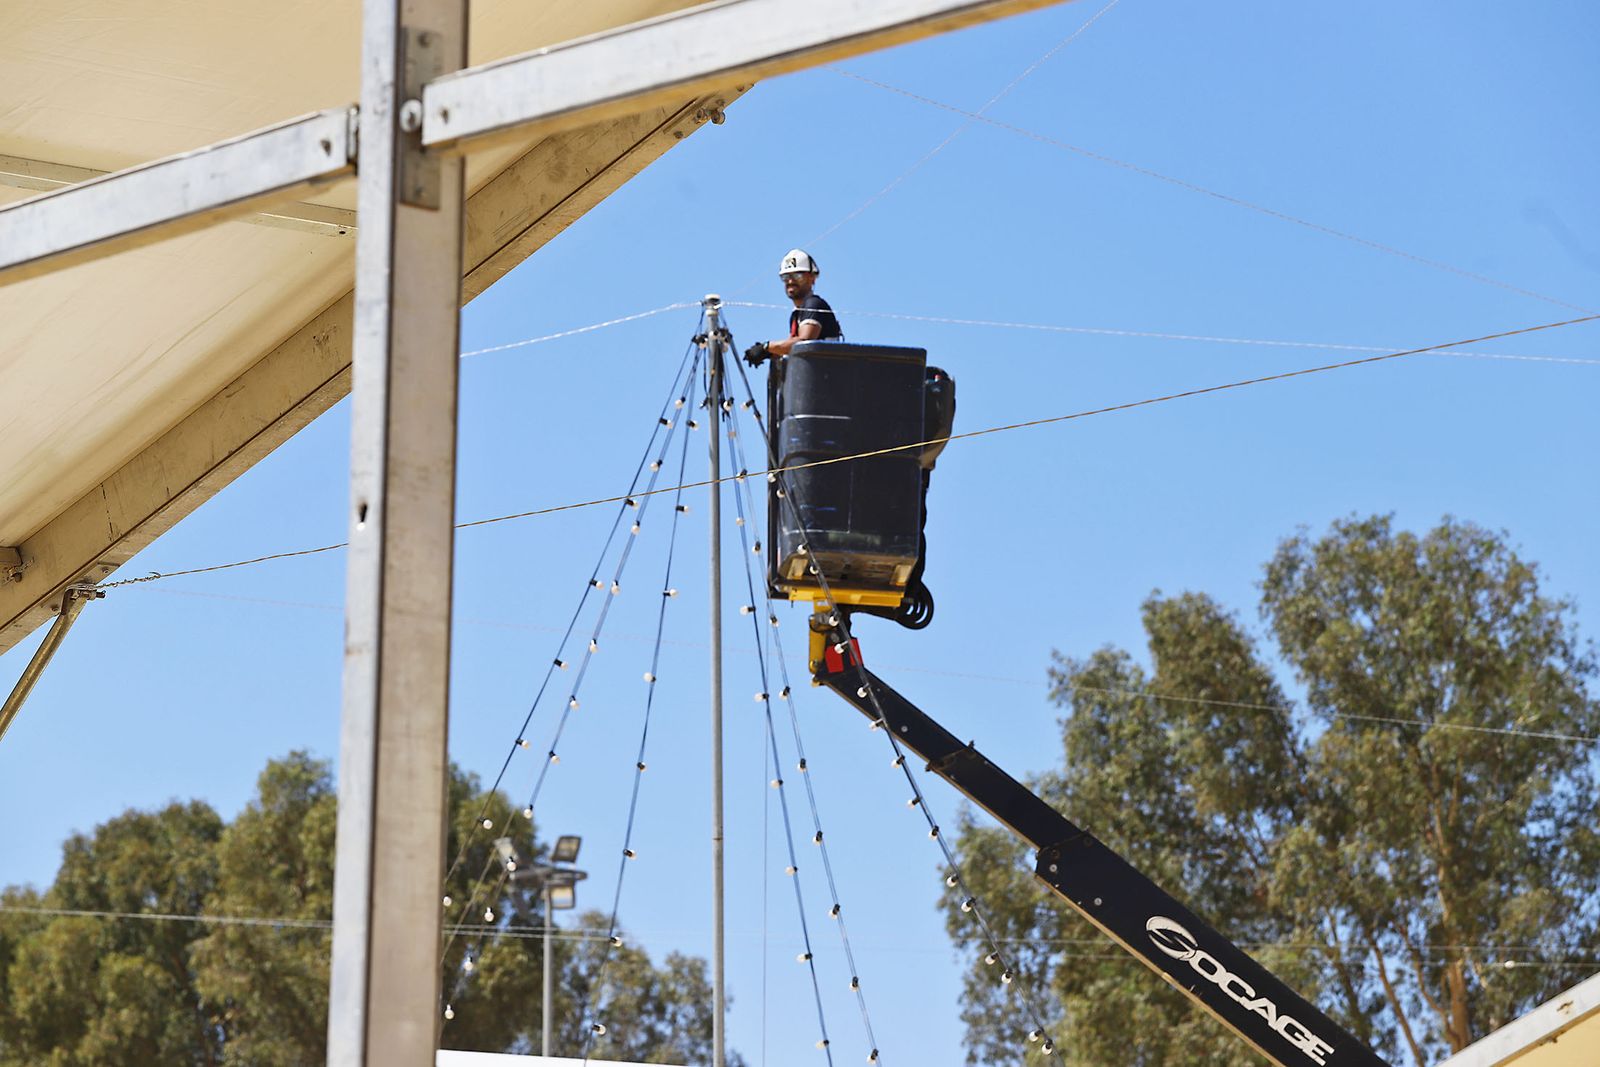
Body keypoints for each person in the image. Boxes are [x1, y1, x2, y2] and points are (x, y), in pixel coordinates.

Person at [743, 249, 840, 367]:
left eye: (797, 275)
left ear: (812, 278)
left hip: (824, 376)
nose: (790, 281)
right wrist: (770, 353)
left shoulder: (813, 304)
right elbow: (792, 347)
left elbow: (804, 343)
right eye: (786, 277)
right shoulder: (797, 314)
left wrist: (767, 347)